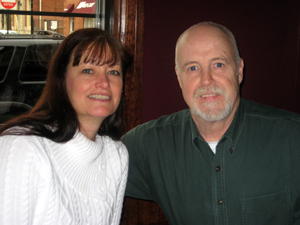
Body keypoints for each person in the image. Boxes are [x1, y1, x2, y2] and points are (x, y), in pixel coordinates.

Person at [122, 21, 300, 224]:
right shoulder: (149, 145)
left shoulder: (293, 138)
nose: (206, 79)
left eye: (218, 64)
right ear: (179, 78)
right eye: (192, 68)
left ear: (239, 70)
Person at [0, 28, 132, 224]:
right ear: (62, 80)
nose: (104, 82)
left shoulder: (116, 155)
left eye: (113, 72)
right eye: (88, 70)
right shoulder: (20, 146)